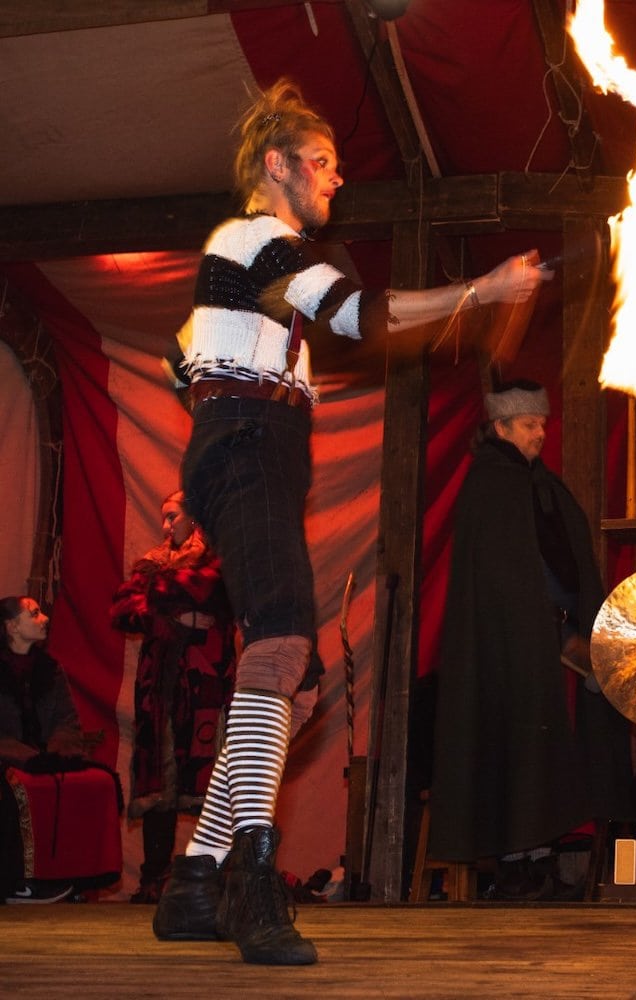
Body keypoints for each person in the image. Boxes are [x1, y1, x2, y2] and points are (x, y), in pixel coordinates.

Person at [150, 79, 546, 964]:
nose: (334, 182)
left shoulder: (243, 263)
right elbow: (363, 314)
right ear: (276, 165)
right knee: (284, 644)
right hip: (250, 440)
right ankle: (254, 878)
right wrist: (479, 290)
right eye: (322, 165)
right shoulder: (258, 236)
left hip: (252, 444)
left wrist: (203, 454)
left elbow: (183, 352)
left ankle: (195, 880)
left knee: (297, 677)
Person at [427, 379, 634, 900]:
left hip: (556, 640)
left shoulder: (541, 483)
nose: (541, 432)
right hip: (512, 646)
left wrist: (579, 625)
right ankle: (521, 868)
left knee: (549, 748)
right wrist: (533, 625)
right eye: (529, 424)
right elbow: (502, 575)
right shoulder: (491, 486)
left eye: (542, 423)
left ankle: (545, 864)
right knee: (519, 746)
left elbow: (566, 560)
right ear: (500, 427)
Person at [109, 491, 236, 904]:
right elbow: (123, 608)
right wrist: (165, 609)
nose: (166, 527)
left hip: (205, 683)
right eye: (163, 519)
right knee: (159, 784)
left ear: (196, 517)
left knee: (211, 779)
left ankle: (215, 878)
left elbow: (208, 588)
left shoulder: (224, 556)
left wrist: (161, 596)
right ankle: (154, 880)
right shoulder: (150, 561)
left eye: (172, 517)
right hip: (159, 687)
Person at [2, 597, 122, 903]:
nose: (43, 618)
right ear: (12, 626)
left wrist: (58, 754)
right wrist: (29, 759)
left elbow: (67, 720)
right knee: (15, 789)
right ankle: (20, 880)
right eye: (34, 614)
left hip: (46, 756)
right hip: (11, 757)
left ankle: (74, 875)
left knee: (101, 781)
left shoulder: (50, 669)